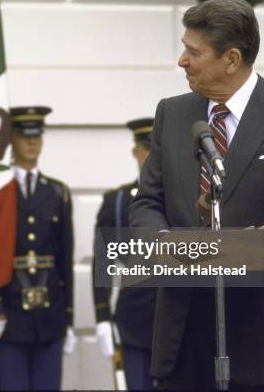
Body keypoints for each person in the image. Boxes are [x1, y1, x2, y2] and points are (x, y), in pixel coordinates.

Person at [129, 0, 264, 389]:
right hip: (181, 336)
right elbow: (148, 200)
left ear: (230, 59)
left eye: (193, 51)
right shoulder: (171, 113)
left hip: (263, 337)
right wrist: (159, 242)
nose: (182, 60)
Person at [0, 106, 76, 390]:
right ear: (12, 139)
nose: (32, 142)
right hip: (9, 313)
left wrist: (68, 317)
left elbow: (65, 258)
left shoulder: (57, 192)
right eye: (25, 136)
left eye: (37, 136)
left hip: (50, 317)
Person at [92, 118, 156, 390]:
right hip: (136, 319)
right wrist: (103, 317)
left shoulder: (187, 197)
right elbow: (103, 261)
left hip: (181, 319)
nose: (152, 155)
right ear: (136, 152)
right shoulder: (117, 201)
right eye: (146, 148)